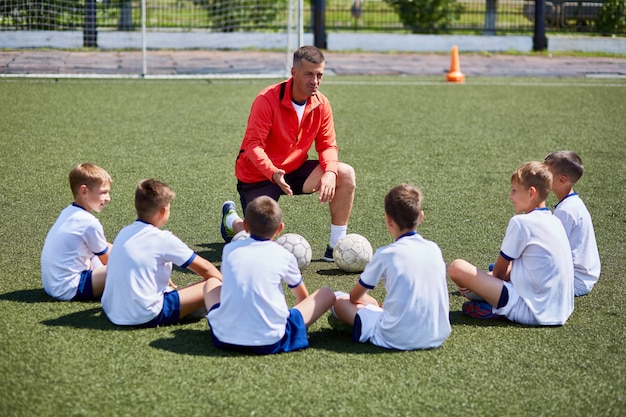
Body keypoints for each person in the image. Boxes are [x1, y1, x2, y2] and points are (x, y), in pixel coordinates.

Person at [220, 45, 356, 262]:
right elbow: (253, 145)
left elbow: (328, 145)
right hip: (259, 175)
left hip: (294, 170)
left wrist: (330, 172)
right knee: (260, 243)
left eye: (319, 75)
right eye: (309, 74)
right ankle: (232, 221)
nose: (315, 81)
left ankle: (336, 246)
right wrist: (272, 172)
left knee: (345, 173)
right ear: (293, 73)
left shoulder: (321, 104)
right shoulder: (267, 99)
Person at [205, 195, 336, 354]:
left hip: (223, 338)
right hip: (271, 341)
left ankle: (228, 320)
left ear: (245, 226)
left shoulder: (229, 250)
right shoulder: (284, 255)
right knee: (326, 293)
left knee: (211, 283)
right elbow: (302, 297)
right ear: (280, 228)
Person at [448, 161, 575, 326]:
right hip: (560, 310)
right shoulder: (555, 221)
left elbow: (499, 273)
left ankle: (497, 310)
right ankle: (493, 304)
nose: (510, 196)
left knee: (457, 268)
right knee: (503, 271)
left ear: (531, 192)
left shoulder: (521, 223)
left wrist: (476, 283)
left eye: (514, 191)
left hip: (531, 310)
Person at [332, 184, 451, 350]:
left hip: (395, 337)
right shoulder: (434, 249)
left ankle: (369, 316)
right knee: (370, 303)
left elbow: (354, 297)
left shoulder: (386, 254)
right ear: (421, 217)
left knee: (338, 299)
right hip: (436, 335)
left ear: (388, 219)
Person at [101, 179, 222, 327]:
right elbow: (205, 268)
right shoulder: (163, 239)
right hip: (145, 314)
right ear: (164, 211)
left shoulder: (124, 232)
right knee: (213, 283)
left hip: (112, 309)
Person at [41, 163, 113, 301]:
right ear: (84, 191)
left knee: (117, 252)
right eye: (103, 192)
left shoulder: (69, 212)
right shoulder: (89, 222)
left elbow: (104, 246)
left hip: (52, 285)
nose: (108, 198)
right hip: (69, 288)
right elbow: (110, 260)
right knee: (127, 266)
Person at [544, 151, 601, 296]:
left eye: (546, 173)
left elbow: (551, 252)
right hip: (583, 277)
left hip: (574, 281)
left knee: (516, 280)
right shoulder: (572, 203)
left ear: (562, 180)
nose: (541, 176)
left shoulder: (566, 211)